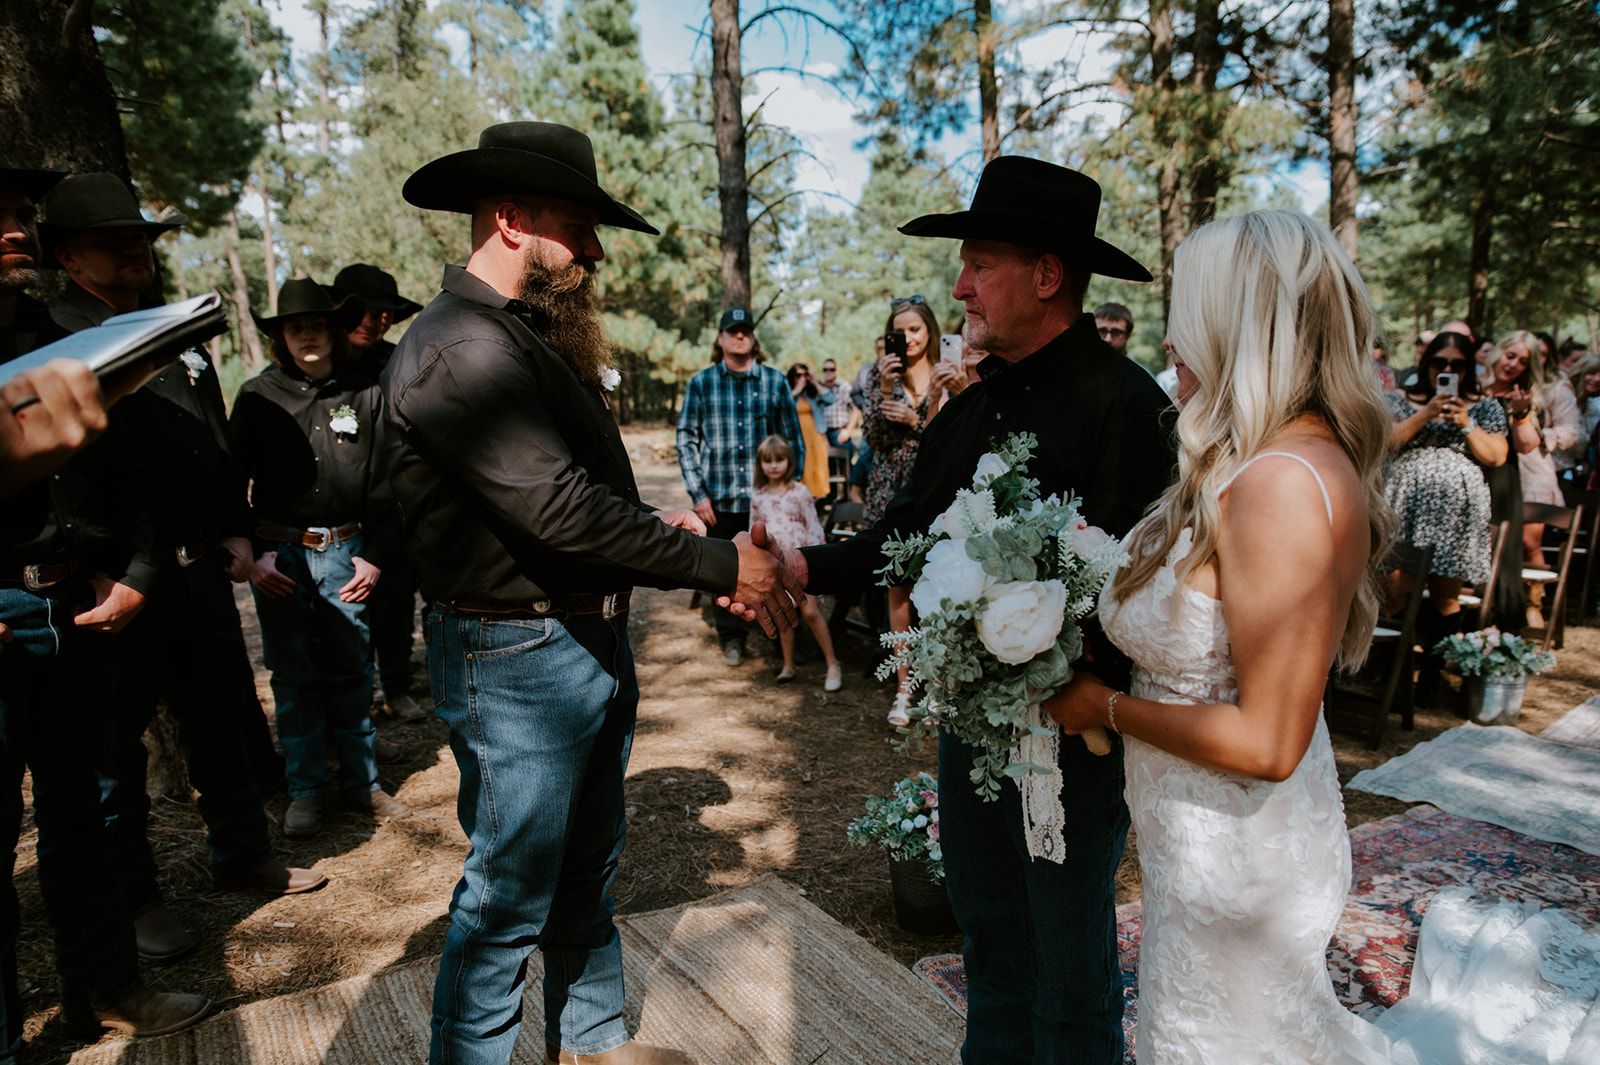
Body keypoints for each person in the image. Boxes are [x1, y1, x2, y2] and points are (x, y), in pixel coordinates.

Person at [1047, 208, 1600, 1065]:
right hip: (1203, 844)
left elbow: (1268, 739)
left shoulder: (1276, 486)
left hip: (1240, 859)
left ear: (1241, 323)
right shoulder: (1263, 458)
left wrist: (1103, 704)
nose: (1172, 339)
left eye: (1189, 313)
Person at [384, 121, 800, 1065]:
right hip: (515, 658)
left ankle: (593, 1043)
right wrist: (720, 563)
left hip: (575, 641)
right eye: (581, 225)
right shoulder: (460, 348)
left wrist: (675, 535)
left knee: (583, 869)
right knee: (506, 896)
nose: (598, 251)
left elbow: (571, 494)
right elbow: (555, 512)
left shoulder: (517, 337)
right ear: (510, 218)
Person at [782, 156, 1174, 1065]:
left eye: (979, 265)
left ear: (1046, 275)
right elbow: (901, 540)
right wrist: (799, 560)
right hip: (972, 735)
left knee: (1070, 972)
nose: (958, 287)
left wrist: (1076, 688)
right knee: (989, 941)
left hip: (1073, 745)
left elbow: (1145, 589)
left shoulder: (1129, 408)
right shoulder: (966, 413)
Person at [39, 172, 325, 962]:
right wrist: (108, 566)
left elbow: (211, 438)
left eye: (142, 238)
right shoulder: (55, 337)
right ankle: (136, 902)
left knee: (220, 722)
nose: (136, 250)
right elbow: (68, 474)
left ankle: (243, 853)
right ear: (69, 257)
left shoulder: (172, 330)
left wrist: (234, 527)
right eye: (114, 241)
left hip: (200, 569)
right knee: (115, 753)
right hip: (117, 580)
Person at [0, 163, 210, 1050]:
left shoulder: (63, 337)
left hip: (75, 612)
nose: (14, 226)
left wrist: (135, 569)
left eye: (18, 212)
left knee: (85, 815)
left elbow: (124, 473)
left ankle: (111, 990)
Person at [232, 278, 408, 839]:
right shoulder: (257, 397)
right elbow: (230, 482)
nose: (307, 335)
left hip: (347, 552)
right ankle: (306, 790)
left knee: (353, 667)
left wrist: (375, 555)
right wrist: (254, 554)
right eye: (295, 327)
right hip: (279, 556)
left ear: (333, 331)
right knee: (293, 675)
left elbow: (387, 480)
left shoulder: (364, 393)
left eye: (316, 325)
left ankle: (363, 784)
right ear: (281, 337)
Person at [1382, 330, 1508, 697]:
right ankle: (1393, 676)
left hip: (1456, 514)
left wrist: (1466, 422)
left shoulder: (1485, 406)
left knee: (1444, 594)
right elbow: (1388, 441)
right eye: (1440, 362)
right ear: (1426, 363)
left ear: (1469, 368)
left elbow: (1496, 456)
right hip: (1405, 503)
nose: (1448, 369)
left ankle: (1432, 676)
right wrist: (1428, 413)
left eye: (1458, 364)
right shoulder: (1398, 399)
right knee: (1394, 590)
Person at [677, 307, 805, 667]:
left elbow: (793, 438)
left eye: (745, 330)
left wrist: (793, 489)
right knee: (723, 572)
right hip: (719, 500)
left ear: (753, 338)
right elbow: (686, 438)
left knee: (773, 567)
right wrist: (698, 494)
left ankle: (782, 638)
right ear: (720, 339)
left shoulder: (774, 381)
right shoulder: (701, 383)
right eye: (731, 331)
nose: (739, 336)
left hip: (767, 501)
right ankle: (732, 638)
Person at [332, 263, 428, 723]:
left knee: (396, 600)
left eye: (383, 315)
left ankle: (397, 685)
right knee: (341, 617)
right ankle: (355, 703)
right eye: (364, 312)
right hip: (337, 511)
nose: (373, 322)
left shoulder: (397, 362)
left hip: (395, 505)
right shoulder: (315, 364)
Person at [865, 293, 947, 727]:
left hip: (935, 495)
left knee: (937, 588)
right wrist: (881, 389)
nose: (909, 338)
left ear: (930, 330)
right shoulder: (880, 377)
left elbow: (950, 443)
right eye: (900, 331)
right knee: (896, 591)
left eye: (916, 329)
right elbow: (873, 440)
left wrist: (918, 420)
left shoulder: (946, 375)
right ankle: (903, 686)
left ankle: (935, 683)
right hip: (889, 493)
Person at [1484, 330, 1580, 628]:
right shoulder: (1474, 385)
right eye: (1509, 355)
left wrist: (1535, 429)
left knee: (1527, 542)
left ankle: (1532, 604)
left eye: (1523, 360)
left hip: (1528, 473)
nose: (1513, 364)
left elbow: (1569, 432)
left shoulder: (1545, 390)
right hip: (1481, 475)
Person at [749, 435, 841, 691]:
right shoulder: (758, 497)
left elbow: (813, 525)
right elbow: (753, 530)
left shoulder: (800, 492)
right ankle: (788, 665)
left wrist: (813, 559)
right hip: (774, 563)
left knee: (810, 611)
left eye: (779, 460)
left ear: (789, 462)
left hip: (800, 561)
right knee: (784, 613)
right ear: (761, 465)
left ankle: (833, 663)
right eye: (768, 461)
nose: (774, 466)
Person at [331, 262, 423, 379]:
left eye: (376, 315)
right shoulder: (313, 355)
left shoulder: (397, 362)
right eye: (357, 313)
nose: (368, 324)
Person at [785, 361, 832, 498]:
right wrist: (796, 391)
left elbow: (830, 399)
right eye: (798, 375)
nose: (802, 378)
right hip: (797, 437)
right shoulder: (788, 392)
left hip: (815, 436)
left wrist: (815, 382)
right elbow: (782, 404)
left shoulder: (812, 393)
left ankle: (816, 503)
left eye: (804, 375)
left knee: (817, 468)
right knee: (801, 468)